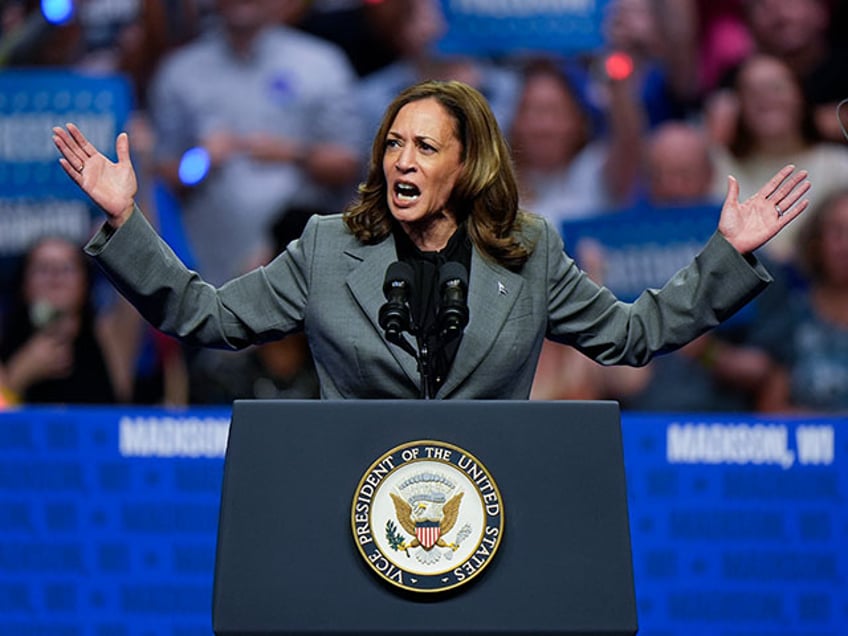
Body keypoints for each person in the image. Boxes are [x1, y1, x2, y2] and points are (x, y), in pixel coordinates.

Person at [52, 79, 810, 400]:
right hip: (347, 503)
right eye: (391, 144)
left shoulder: (530, 250)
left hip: (490, 508)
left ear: (466, 162)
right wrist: (125, 220)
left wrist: (728, 255)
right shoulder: (325, 246)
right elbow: (206, 316)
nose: (401, 161)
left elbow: (634, 334)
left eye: (423, 147)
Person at [148, 0, 365, 285]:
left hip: (301, 264)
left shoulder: (321, 63)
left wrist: (294, 153)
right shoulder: (180, 71)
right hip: (209, 265)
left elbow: (349, 164)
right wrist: (201, 160)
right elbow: (160, 176)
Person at [0, 236, 124, 404]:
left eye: (67, 268)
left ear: (85, 283)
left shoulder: (108, 334)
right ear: (24, 284)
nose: (55, 276)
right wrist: (21, 373)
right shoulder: (4, 334)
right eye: (43, 269)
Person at [758, 189, 848, 412]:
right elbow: (771, 410)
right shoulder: (793, 313)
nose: (846, 246)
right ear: (816, 243)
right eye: (837, 233)